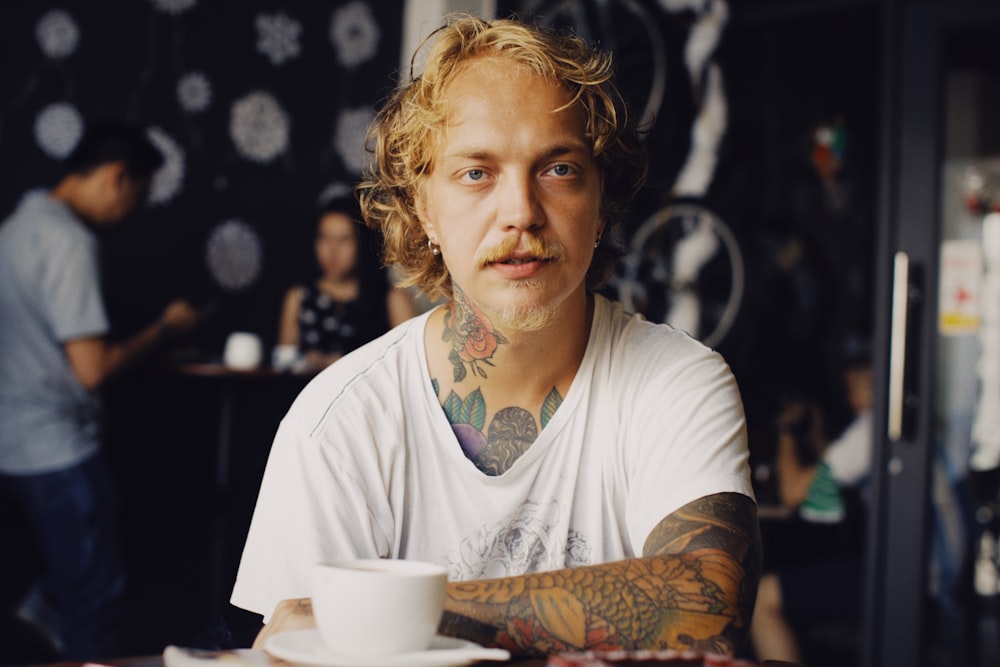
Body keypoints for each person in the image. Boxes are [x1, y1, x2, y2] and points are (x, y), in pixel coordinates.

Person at [231, 14, 760, 658]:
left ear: (602, 201)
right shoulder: (339, 423)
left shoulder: (676, 380)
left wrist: (380, 610)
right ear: (423, 207)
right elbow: (292, 646)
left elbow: (706, 606)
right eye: (476, 173)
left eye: (559, 169)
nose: (520, 213)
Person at [0, 121, 202, 659]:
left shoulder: (17, 227)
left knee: (56, 588)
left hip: (11, 450)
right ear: (116, 178)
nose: (131, 212)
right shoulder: (68, 239)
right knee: (94, 600)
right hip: (57, 450)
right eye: (136, 196)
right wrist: (166, 330)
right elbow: (91, 368)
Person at [750, 348, 873, 663]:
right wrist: (817, 436)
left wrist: (787, 428)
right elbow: (827, 480)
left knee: (762, 598)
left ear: (869, 381)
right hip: (901, 566)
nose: (847, 395)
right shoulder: (877, 431)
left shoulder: (871, 430)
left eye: (851, 386)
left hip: (890, 576)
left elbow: (794, 493)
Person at [275, 192, 417, 372]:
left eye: (343, 240)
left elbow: (412, 362)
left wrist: (343, 364)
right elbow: (283, 363)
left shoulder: (390, 299)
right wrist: (308, 362)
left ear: (361, 243)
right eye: (324, 238)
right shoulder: (299, 296)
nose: (332, 250)